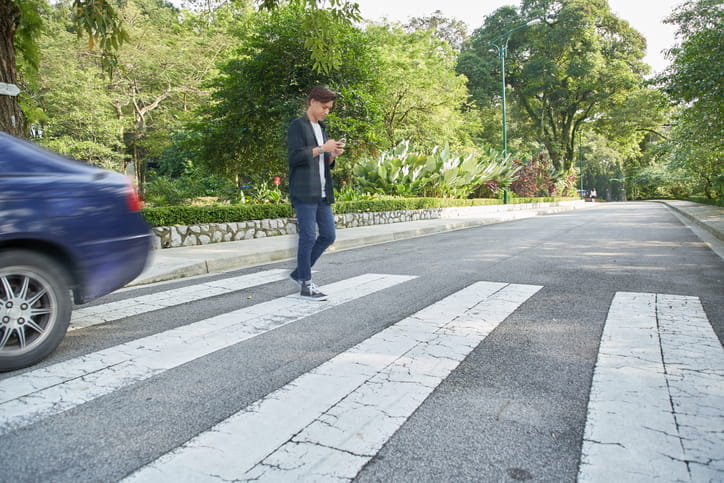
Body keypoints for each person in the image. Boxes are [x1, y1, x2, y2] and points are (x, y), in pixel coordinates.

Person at [287, 86, 345, 300]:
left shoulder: (322, 128)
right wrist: (322, 148)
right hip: (304, 191)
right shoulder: (297, 126)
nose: (326, 112)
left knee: (329, 235)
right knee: (308, 236)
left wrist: (332, 154)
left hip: (322, 192)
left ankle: (299, 273)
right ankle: (306, 284)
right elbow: (294, 158)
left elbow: (324, 163)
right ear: (312, 102)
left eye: (329, 109)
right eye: (324, 107)